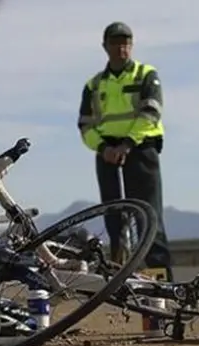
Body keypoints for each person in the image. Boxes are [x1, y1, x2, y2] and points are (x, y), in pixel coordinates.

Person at [77, 22, 172, 280]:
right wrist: (104, 148)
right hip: (107, 151)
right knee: (113, 216)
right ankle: (119, 277)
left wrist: (127, 144)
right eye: (116, 42)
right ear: (105, 46)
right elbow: (85, 126)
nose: (122, 48)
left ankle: (161, 282)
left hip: (140, 148)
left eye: (126, 42)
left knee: (148, 216)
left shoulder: (145, 74)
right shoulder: (94, 85)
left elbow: (151, 113)